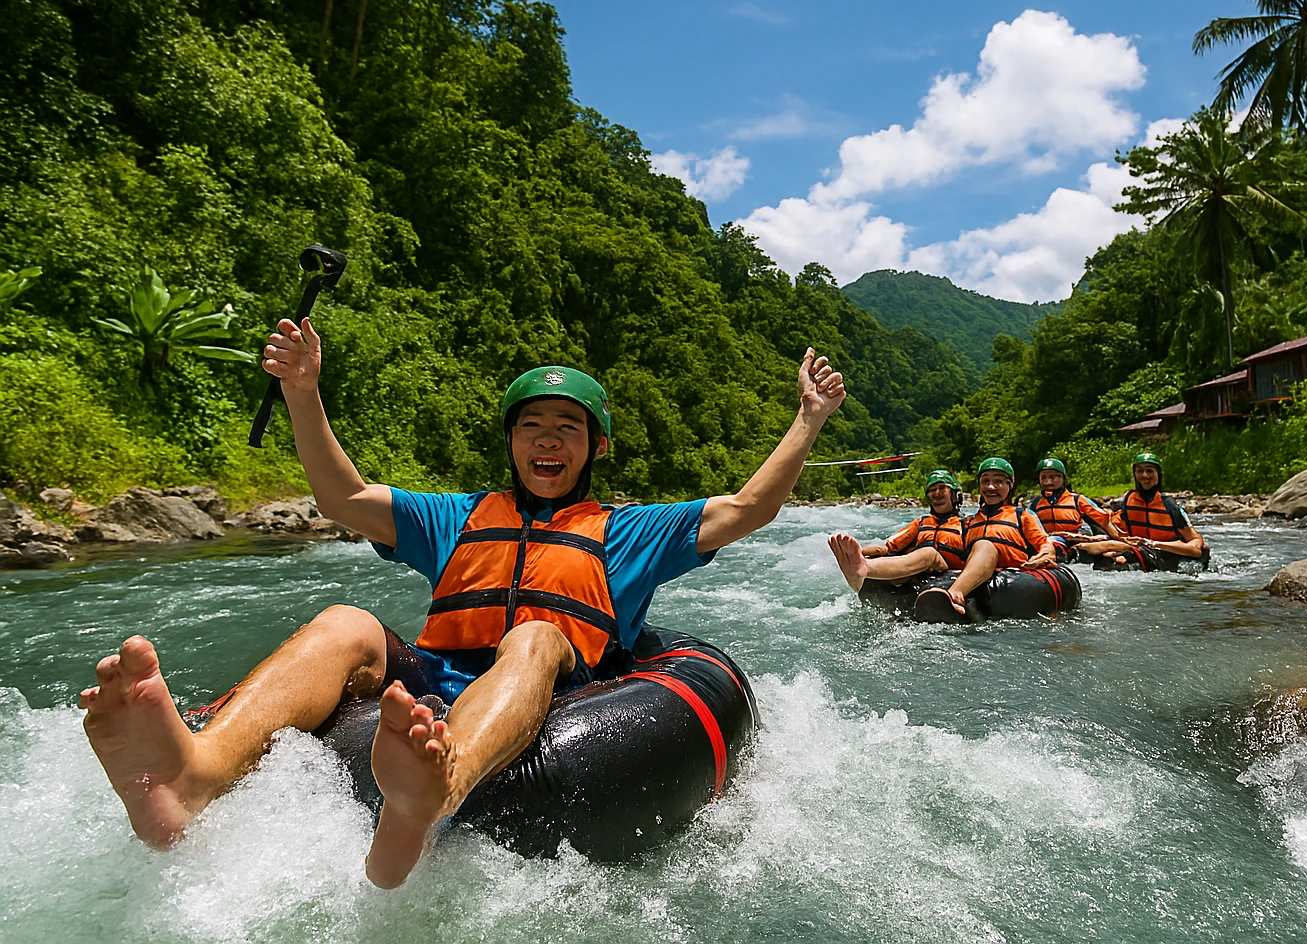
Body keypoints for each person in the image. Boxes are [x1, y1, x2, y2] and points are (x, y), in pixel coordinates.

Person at [79, 315, 845, 889]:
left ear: (595, 447)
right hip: (435, 679)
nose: (549, 441)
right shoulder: (455, 516)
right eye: (533, 428)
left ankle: (440, 788)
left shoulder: (629, 531)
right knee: (347, 621)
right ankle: (192, 774)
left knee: (541, 633)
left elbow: (747, 509)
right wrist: (302, 393)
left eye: (568, 429)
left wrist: (807, 421)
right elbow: (344, 496)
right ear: (511, 442)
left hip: (557, 691)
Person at [929, 457, 1055, 615]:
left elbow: (1045, 544)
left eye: (998, 482)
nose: (990, 487)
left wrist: (1045, 554)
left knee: (985, 545)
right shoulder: (968, 522)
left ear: (1010, 485)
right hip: (978, 580)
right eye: (985, 481)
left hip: (1013, 579)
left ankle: (954, 594)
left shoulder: (1022, 515)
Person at [827, 469, 965, 592]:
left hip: (951, 575)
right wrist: (858, 553)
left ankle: (864, 568)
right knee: (879, 555)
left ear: (954, 495)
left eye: (942, 488)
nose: (937, 493)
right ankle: (858, 568)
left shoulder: (967, 524)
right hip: (918, 574)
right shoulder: (922, 522)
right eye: (932, 490)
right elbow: (887, 547)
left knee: (929, 554)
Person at [1083, 452, 1207, 569]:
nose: (1144, 475)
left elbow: (1196, 548)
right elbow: (1118, 533)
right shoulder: (1129, 500)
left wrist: (1154, 544)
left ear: (1158, 474)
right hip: (1139, 551)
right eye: (1140, 471)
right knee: (1103, 559)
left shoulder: (1169, 505)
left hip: (1167, 553)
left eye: (1149, 470)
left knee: (1122, 560)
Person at [1026, 457, 1115, 558]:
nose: (1048, 482)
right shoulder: (1036, 504)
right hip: (1050, 542)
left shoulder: (1077, 500)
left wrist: (1119, 538)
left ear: (1063, 478)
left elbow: (1104, 520)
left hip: (1077, 540)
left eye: (1052, 477)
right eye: (1043, 478)